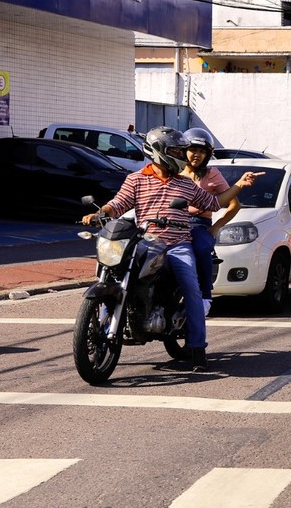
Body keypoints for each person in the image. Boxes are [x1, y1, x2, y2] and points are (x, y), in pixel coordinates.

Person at [81, 127, 260, 372]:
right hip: (145, 241)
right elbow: (118, 204)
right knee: (117, 267)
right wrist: (99, 213)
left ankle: (197, 348)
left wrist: (239, 185)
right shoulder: (136, 179)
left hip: (178, 245)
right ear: (159, 151)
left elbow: (214, 203)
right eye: (177, 150)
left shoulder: (185, 184)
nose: (183, 154)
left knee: (192, 290)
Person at [180, 128, 244, 316]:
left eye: (202, 151)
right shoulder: (173, 172)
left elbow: (233, 205)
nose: (197, 155)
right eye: (193, 149)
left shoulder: (211, 174)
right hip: (171, 223)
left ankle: (205, 297)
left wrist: (215, 228)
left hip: (198, 223)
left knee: (201, 248)